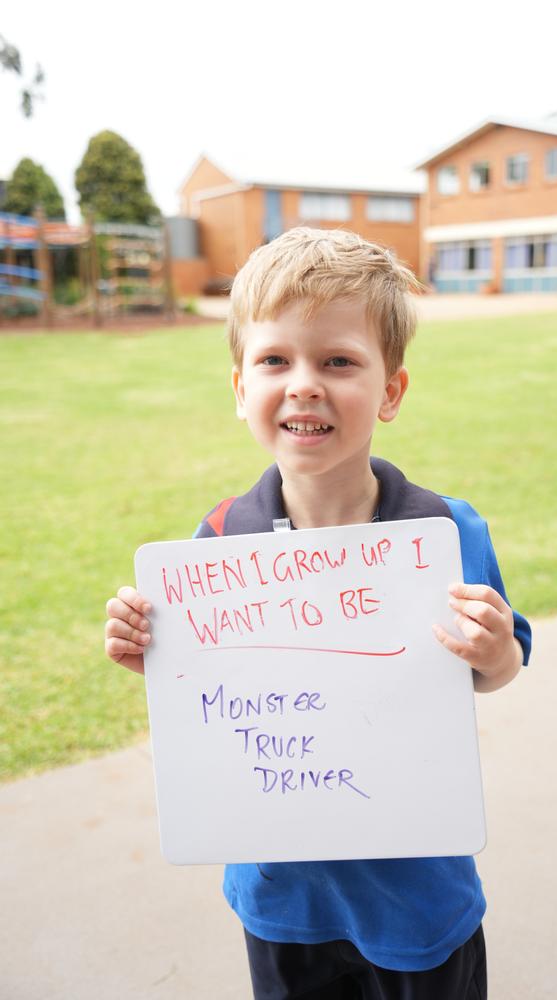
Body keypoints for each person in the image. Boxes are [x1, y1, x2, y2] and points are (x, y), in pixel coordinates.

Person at [105, 227, 532, 999]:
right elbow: (206, 698)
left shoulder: (445, 531)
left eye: (338, 360)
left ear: (390, 391)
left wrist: (495, 652)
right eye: (275, 360)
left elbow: (498, 669)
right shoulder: (219, 540)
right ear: (241, 389)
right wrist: (153, 655)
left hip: (418, 894)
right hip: (281, 897)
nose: (303, 384)